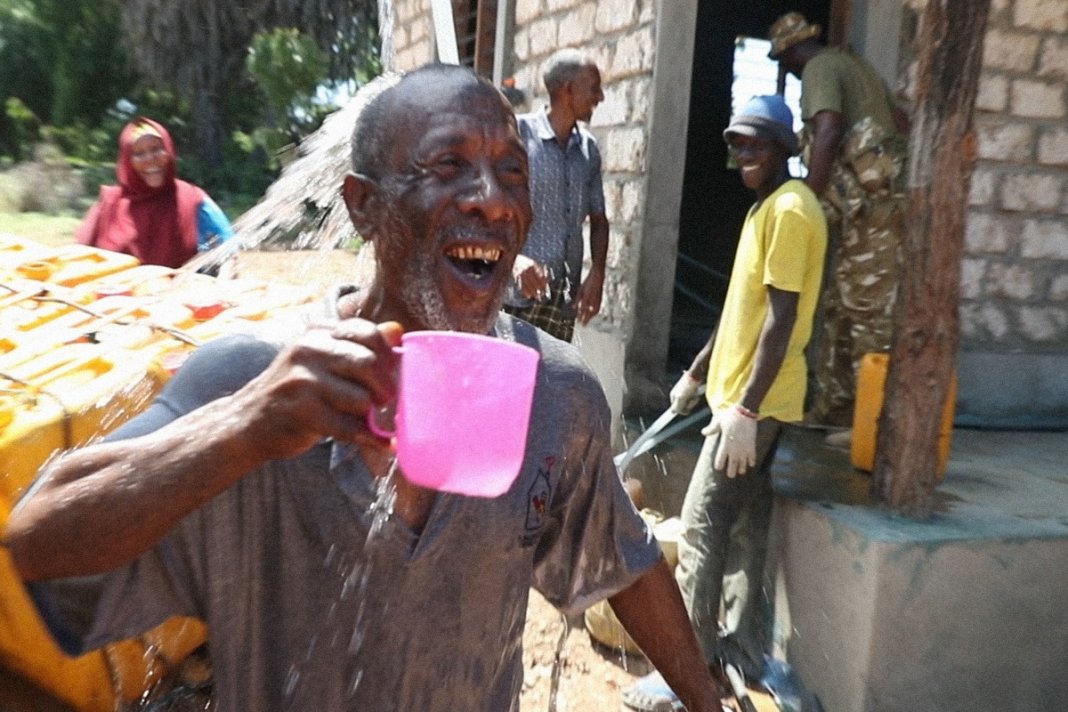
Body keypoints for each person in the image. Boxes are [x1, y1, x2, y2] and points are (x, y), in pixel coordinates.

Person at [4, 65, 727, 712]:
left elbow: (625, 561)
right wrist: (241, 429)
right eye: (449, 165)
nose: (492, 201)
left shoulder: (555, 394)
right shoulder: (256, 382)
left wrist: (705, 701)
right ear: (363, 206)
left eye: (512, 173)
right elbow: (38, 541)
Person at [624, 95, 827, 710]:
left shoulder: (791, 210)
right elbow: (743, 308)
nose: (743, 155)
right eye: (736, 144)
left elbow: (782, 321)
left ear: (785, 149)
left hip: (753, 406)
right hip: (742, 398)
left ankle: (681, 670)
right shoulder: (766, 209)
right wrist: (694, 373)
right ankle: (740, 652)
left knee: (703, 525)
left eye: (755, 144)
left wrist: (742, 410)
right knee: (747, 530)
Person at [768, 12, 910, 433]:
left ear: (791, 54)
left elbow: (827, 130)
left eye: (785, 63)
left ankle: (873, 426)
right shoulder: (855, 65)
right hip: (868, 212)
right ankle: (837, 411)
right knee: (839, 311)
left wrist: (807, 198)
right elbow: (900, 122)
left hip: (874, 216)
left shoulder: (818, 68)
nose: (790, 72)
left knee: (867, 318)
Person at [503, 48, 609, 343]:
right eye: (594, 88)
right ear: (568, 90)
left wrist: (597, 273)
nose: (600, 97)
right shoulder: (517, 136)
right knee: (510, 384)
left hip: (562, 302)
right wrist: (513, 260)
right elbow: (490, 213)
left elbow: (599, 219)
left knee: (553, 386)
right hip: (513, 298)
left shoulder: (588, 150)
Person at [76, 117, 233, 269]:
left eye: (156, 149)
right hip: (117, 294)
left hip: (180, 293)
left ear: (169, 150)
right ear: (127, 161)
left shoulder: (193, 200)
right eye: (138, 153)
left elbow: (227, 251)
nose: (150, 159)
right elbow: (81, 259)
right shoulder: (110, 203)